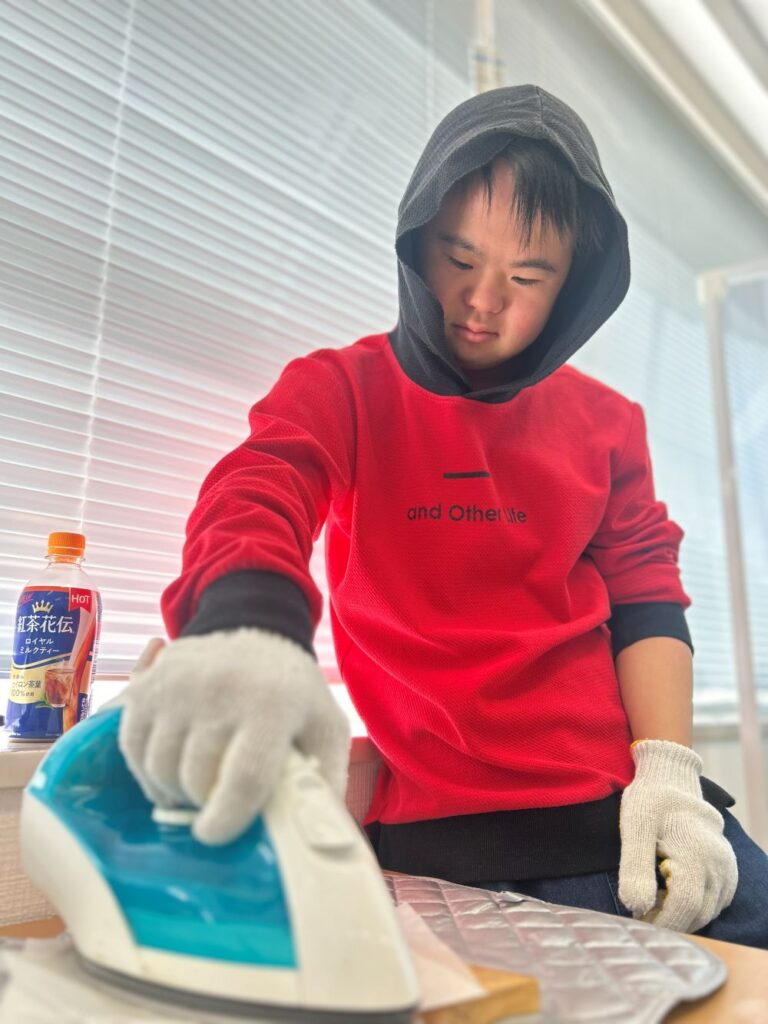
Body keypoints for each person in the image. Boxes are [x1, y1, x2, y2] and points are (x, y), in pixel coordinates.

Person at [119, 85, 768, 949]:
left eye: (527, 278)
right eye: (459, 258)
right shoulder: (342, 391)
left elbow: (648, 598)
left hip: (623, 815)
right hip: (448, 842)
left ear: (572, 287)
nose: (483, 300)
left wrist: (670, 776)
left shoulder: (607, 423)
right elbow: (257, 491)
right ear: (417, 239)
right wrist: (245, 628)